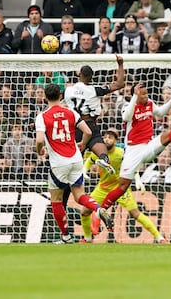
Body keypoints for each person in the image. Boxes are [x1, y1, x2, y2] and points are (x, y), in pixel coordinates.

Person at [98, 82, 171, 212]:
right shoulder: (128, 106)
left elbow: (160, 113)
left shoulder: (149, 103)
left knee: (170, 134)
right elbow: (126, 117)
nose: (146, 96)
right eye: (143, 94)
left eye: (146, 93)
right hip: (133, 150)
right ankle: (102, 211)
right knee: (122, 187)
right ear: (136, 95)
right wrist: (135, 97)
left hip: (148, 146)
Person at [35, 83, 113, 243]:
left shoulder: (42, 116)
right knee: (80, 196)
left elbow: (40, 140)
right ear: (61, 96)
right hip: (76, 159)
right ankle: (98, 209)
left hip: (59, 163)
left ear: (45, 98)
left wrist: (40, 151)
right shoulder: (71, 112)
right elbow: (89, 132)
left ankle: (66, 236)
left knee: (56, 199)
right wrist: (83, 144)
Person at [81, 128, 169, 243]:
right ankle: (87, 239)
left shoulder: (121, 153)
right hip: (102, 188)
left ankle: (159, 238)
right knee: (84, 211)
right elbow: (90, 160)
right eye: (105, 137)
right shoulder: (98, 152)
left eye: (110, 137)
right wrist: (84, 170)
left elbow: (132, 166)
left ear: (116, 141)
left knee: (135, 213)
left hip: (121, 189)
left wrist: (137, 179)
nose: (107, 139)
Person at [64, 55, 124, 175]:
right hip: (90, 124)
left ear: (78, 74)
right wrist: (120, 64)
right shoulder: (95, 90)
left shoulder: (68, 90)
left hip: (74, 126)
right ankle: (103, 160)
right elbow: (119, 84)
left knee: (72, 164)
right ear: (91, 77)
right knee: (102, 152)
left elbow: (55, 102)